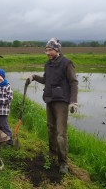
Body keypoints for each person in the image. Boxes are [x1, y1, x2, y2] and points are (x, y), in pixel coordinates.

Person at [28, 38, 78, 174]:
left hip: (61, 102)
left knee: (61, 134)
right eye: (46, 50)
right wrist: (34, 77)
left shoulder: (67, 63)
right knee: (50, 128)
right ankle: (52, 151)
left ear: (57, 50)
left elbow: (73, 82)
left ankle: (63, 162)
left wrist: (73, 101)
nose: (47, 53)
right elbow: (46, 80)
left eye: (50, 50)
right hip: (49, 99)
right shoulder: (48, 64)